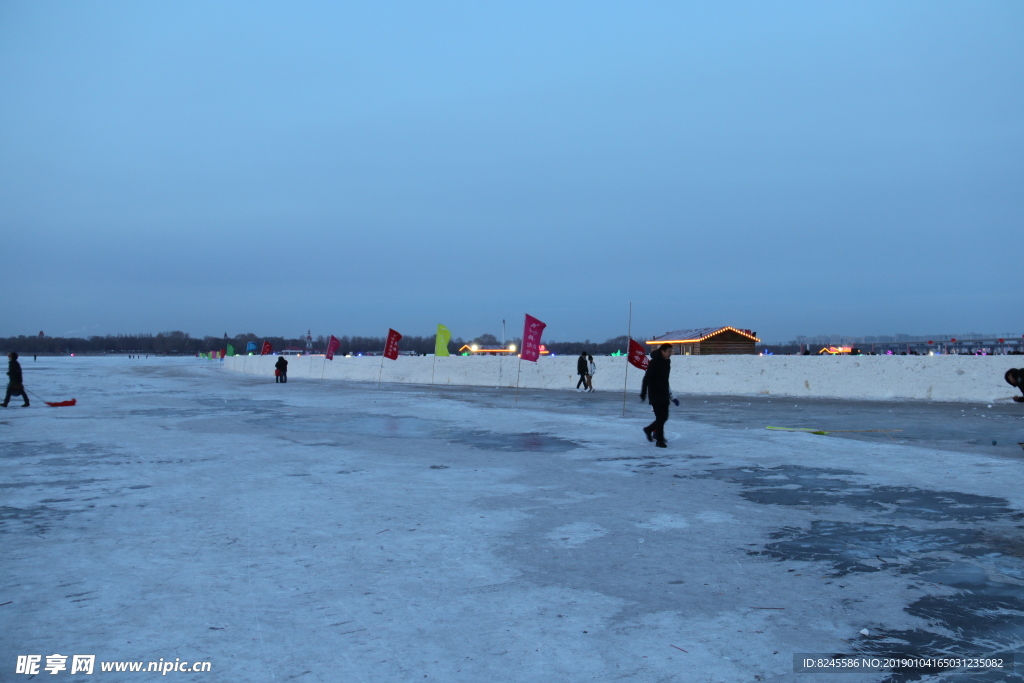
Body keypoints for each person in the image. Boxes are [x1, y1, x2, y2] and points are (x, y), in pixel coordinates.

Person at [640, 343, 678, 448]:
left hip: (664, 393)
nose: (671, 354)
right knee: (660, 417)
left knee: (664, 417)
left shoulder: (667, 362)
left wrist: (671, 396)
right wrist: (643, 393)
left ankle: (648, 429)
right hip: (655, 393)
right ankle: (659, 441)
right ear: (662, 351)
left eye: (671, 351)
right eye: (669, 351)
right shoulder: (654, 363)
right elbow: (646, 378)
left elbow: (665, 380)